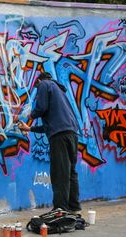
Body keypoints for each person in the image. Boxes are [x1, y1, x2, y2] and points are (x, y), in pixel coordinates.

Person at [17, 72, 81, 214]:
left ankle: (60, 209)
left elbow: (42, 107)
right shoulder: (59, 92)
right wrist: (30, 128)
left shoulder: (44, 84)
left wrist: (29, 115)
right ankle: (74, 207)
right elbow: (49, 124)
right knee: (70, 172)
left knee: (59, 173)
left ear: (39, 80)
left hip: (59, 137)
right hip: (71, 134)